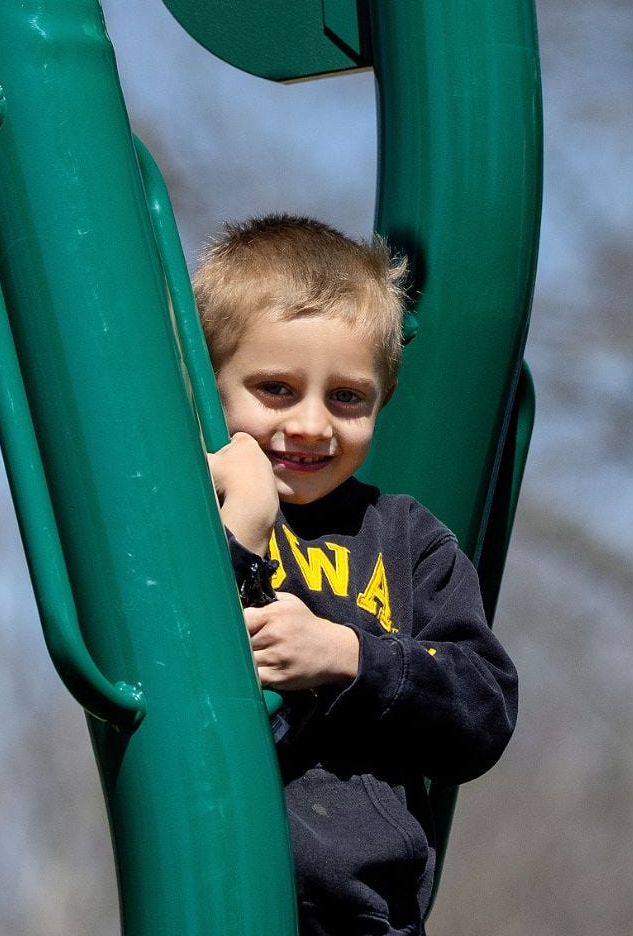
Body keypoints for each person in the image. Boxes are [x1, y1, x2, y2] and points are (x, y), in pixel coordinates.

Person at [194, 213, 516, 936]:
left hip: (370, 916)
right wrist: (242, 531)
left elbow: (485, 707)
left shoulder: (406, 539)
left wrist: (349, 657)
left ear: (384, 399)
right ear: (209, 384)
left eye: (346, 397)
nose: (312, 424)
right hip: (220, 882)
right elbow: (173, 658)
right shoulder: (186, 515)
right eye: (275, 388)